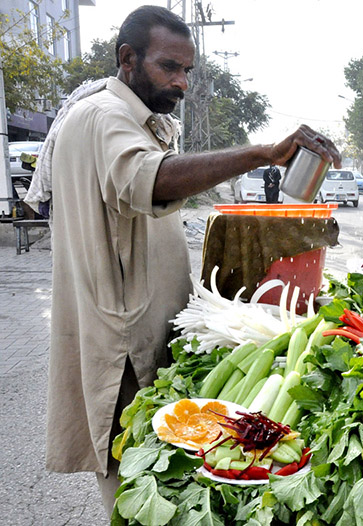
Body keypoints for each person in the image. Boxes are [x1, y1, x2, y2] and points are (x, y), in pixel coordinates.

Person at [34, 6, 340, 518]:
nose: (181, 83)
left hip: (134, 331)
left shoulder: (136, 122)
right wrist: (260, 153)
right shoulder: (104, 117)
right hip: (123, 347)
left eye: (187, 71)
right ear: (127, 59)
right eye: (169, 68)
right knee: (133, 486)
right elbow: (150, 180)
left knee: (150, 477)